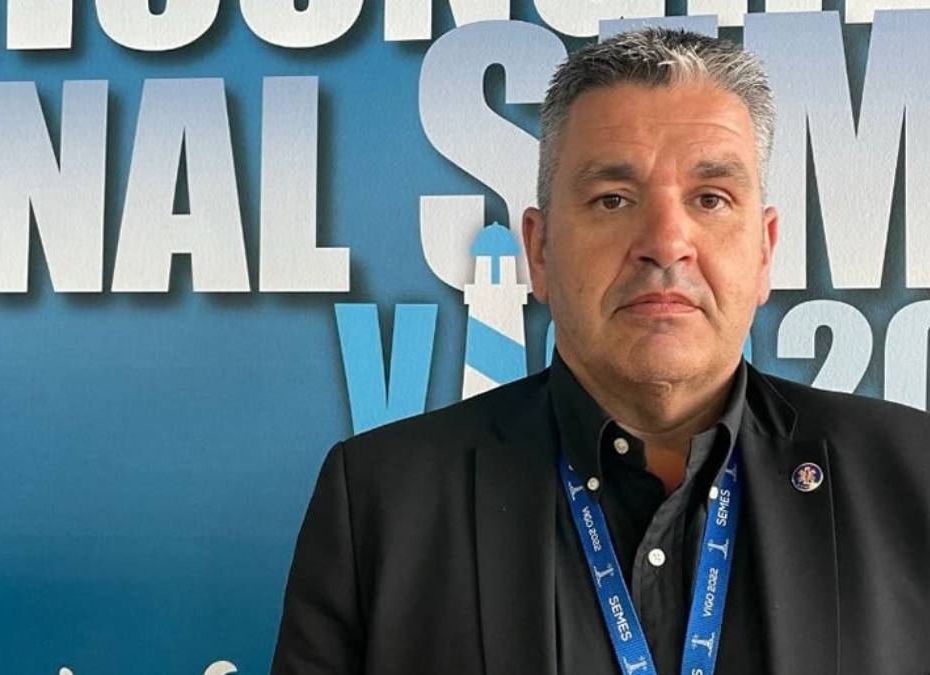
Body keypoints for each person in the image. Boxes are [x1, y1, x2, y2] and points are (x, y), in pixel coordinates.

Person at [270, 27, 930, 675]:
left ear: (764, 250)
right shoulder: (383, 499)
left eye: (710, 198)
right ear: (539, 250)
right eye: (613, 199)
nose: (666, 242)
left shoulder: (914, 478)